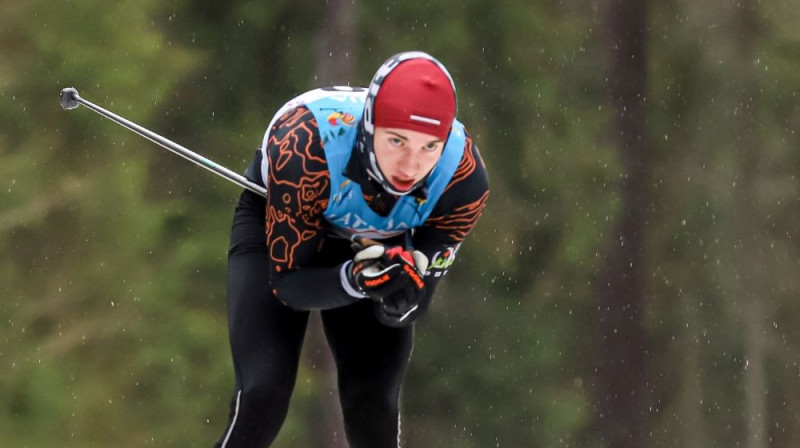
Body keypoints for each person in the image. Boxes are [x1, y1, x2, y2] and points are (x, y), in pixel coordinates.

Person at [214, 51, 489, 448]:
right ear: (369, 127)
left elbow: (413, 305)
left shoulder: (462, 181)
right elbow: (289, 285)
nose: (411, 166)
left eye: (430, 147)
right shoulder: (303, 143)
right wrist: (355, 281)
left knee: (373, 409)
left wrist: (401, 292)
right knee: (263, 397)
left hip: (383, 242)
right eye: (397, 141)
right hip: (287, 217)